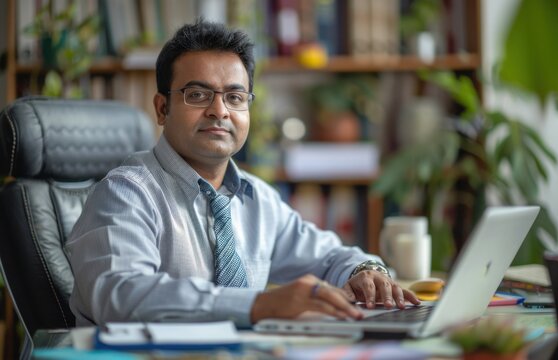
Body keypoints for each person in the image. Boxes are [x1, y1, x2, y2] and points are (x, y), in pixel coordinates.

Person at [67, 19, 419, 328]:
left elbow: (329, 256)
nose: (219, 111)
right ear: (162, 108)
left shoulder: (258, 199)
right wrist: (258, 305)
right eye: (198, 94)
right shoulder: (127, 193)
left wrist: (365, 271)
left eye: (235, 97)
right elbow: (121, 296)